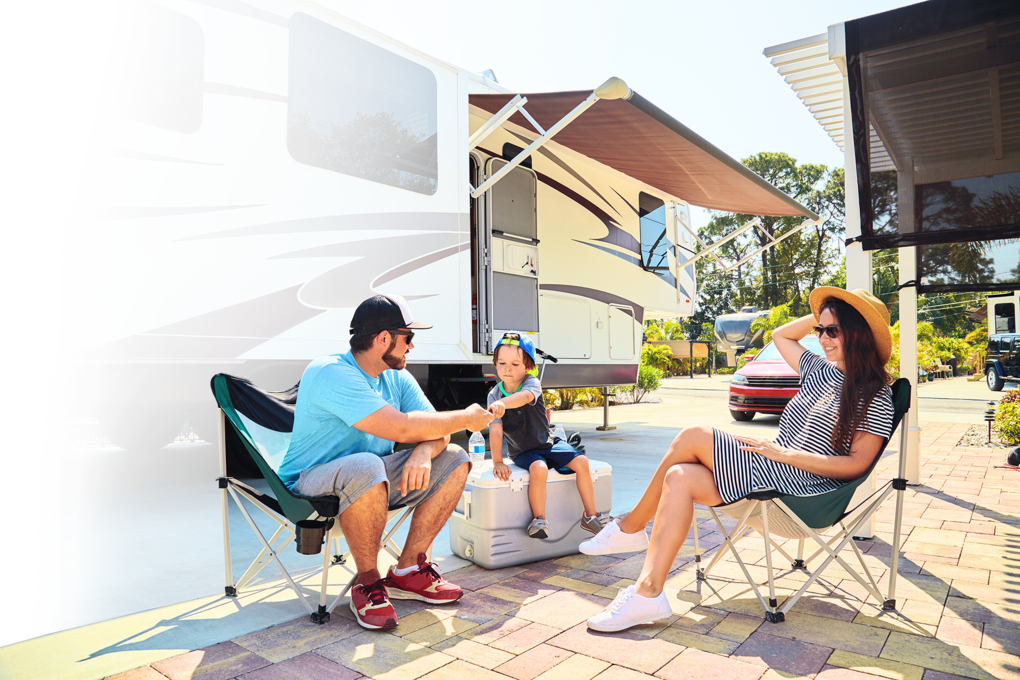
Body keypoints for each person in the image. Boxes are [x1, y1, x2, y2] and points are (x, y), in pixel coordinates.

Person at [581, 288, 895, 632]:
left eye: (832, 330)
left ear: (859, 332)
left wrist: (783, 454)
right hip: (772, 468)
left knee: (693, 435)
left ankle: (630, 527)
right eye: (820, 330)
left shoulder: (874, 394)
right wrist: (825, 311)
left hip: (801, 492)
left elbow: (857, 465)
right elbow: (782, 335)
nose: (822, 338)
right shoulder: (822, 371)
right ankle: (647, 594)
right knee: (679, 476)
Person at [277, 294, 494, 631]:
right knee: (366, 462)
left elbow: (435, 428)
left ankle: (407, 571)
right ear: (383, 339)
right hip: (309, 483)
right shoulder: (330, 372)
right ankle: (367, 581)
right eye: (408, 338)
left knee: (454, 457)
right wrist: (466, 417)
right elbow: (403, 426)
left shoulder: (397, 377)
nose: (411, 347)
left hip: (370, 478)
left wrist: (423, 452)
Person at [486, 332, 609, 539]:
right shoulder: (494, 394)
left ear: (528, 367)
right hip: (523, 450)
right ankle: (539, 520)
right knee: (539, 468)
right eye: (502, 362)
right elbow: (496, 429)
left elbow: (524, 398)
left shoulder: (531, 383)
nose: (507, 368)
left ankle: (590, 516)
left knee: (582, 462)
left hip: (548, 442)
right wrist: (498, 461)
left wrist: (503, 404)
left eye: (515, 364)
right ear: (495, 364)